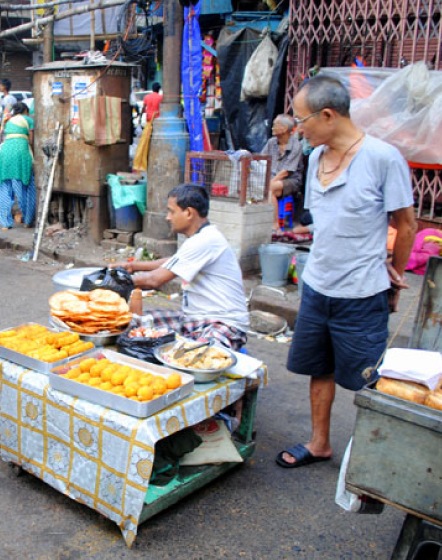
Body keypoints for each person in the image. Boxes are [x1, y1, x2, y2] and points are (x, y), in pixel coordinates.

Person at [277, 76, 416, 468]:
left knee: (369, 379)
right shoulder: (317, 157)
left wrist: (395, 272)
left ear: (328, 115)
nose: (298, 128)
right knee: (318, 369)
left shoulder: (383, 158)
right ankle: (319, 443)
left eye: (302, 120)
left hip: (361, 292)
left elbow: (406, 226)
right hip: (318, 287)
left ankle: (373, 457)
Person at [115, 183, 249, 350]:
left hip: (222, 324)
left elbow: (154, 280)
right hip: (193, 319)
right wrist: (133, 266)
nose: (168, 217)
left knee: (197, 358)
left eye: (171, 211)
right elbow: (172, 262)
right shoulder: (200, 238)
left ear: (188, 213)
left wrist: (116, 282)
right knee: (133, 323)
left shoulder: (205, 240)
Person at [261, 114, 304, 231]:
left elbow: (287, 172)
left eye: (275, 125)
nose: (272, 127)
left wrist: (269, 182)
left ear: (285, 129)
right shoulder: (271, 142)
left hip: (290, 181)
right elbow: (262, 160)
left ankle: (275, 225)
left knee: (269, 188)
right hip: (273, 178)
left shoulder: (296, 145)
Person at [0, 101, 35, 229]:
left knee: (4, 188)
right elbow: (32, 140)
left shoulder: (8, 121)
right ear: (25, 111)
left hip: (5, 153)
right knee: (25, 187)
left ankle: (5, 224)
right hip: (20, 152)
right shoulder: (28, 119)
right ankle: (27, 221)